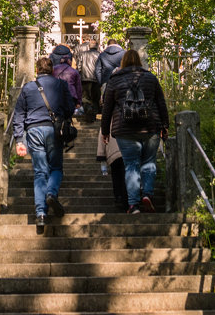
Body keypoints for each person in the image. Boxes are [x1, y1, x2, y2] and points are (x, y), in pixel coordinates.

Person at [100, 48, 168, 214]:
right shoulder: (151, 78)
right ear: (139, 61)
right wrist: (165, 125)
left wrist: (105, 131)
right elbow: (161, 103)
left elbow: (107, 108)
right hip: (150, 126)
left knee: (131, 165)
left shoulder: (114, 80)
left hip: (124, 129)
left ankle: (133, 204)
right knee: (149, 162)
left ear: (123, 62)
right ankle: (147, 194)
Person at [10, 56, 76, 227]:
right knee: (56, 167)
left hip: (33, 130)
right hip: (54, 130)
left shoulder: (28, 87)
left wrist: (19, 139)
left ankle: (40, 213)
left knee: (40, 171)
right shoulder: (61, 85)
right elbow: (70, 108)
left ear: (37, 70)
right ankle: (51, 194)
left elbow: (19, 114)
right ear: (52, 69)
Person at [49, 44, 84, 115]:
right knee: (67, 116)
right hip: (71, 95)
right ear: (69, 59)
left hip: (56, 94)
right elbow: (78, 87)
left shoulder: (52, 70)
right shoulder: (74, 71)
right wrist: (79, 102)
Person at [74, 39, 101, 118]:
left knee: (85, 98)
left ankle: (87, 113)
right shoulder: (100, 55)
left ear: (89, 46)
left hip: (84, 79)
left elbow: (78, 67)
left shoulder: (82, 54)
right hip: (96, 79)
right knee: (95, 98)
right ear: (97, 47)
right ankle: (94, 115)